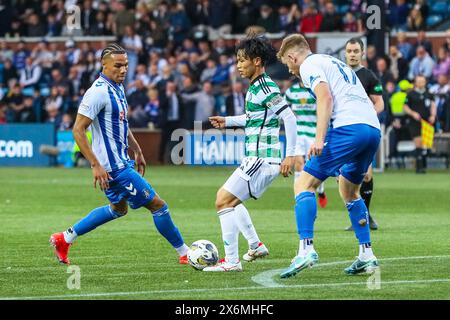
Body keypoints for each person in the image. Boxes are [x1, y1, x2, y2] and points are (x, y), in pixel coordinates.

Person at [49, 43, 190, 265]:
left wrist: (137, 148)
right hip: (114, 168)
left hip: (122, 161)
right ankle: (185, 253)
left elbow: (121, 124)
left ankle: (64, 238)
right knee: (158, 205)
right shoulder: (97, 92)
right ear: (103, 66)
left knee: (118, 209)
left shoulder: (117, 87)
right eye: (118, 66)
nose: (123, 70)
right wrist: (95, 164)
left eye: (125, 65)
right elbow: (77, 130)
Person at [277, 34, 381, 278]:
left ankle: (305, 250)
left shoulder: (309, 65)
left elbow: (326, 98)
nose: (290, 70)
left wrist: (320, 138)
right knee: (349, 190)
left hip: (349, 128)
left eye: (287, 64)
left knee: (304, 184)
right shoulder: (335, 63)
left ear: (293, 56)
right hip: (371, 130)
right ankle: (366, 254)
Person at [205, 36, 297, 272]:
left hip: (263, 158)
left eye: (242, 60)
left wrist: (290, 155)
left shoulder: (266, 87)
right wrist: (228, 121)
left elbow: (288, 116)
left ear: (257, 61)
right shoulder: (256, 88)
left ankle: (232, 262)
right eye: (237, 60)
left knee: (222, 200)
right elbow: (254, 118)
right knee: (233, 201)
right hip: (256, 158)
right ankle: (255, 245)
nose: (238, 65)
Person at [343, 38, 385, 231]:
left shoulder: (368, 76)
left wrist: (367, 115)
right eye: (349, 51)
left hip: (362, 131)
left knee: (366, 175)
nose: (352, 54)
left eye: (355, 51)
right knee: (344, 178)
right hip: (343, 130)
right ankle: (359, 216)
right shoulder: (339, 74)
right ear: (345, 53)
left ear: (362, 53)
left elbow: (379, 103)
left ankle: (365, 216)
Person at [284, 79, 327, 208]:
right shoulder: (291, 92)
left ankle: (320, 191)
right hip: (298, 133)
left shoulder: (315, 90)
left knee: (313, 165)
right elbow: (283, 108)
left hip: (313, 133)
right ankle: (299, 198)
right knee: (298, 164)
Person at [403, 75, 437, 174]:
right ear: (415, 82)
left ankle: (423, 166)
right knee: (418, 142)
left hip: (427, 122)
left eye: (423, 81)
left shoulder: (429, 94)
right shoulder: (410, 94)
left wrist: (433, 116)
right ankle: (419, 167)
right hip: (415, 122)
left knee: (425, 145)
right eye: (419, 81)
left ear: (425, 82)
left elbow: (433, 106)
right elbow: (405, 107)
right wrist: (413, 114)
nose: (421, 83)